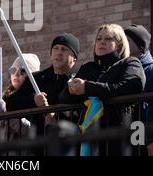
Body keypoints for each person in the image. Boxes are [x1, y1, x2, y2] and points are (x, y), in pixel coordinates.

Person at [59, 24, 145, 156]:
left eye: (108, 38)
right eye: (98, 39)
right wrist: (71, 88)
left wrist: (86, 87)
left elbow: (130, 87)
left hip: (118, 134)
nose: (102, 42)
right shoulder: (88, 67)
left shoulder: (130, 63)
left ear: (120, 44)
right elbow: (64, 99)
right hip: (89, 137)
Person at [124, 24, 153, 155]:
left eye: (128, 40)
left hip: (142, 130)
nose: (123, 44)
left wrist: (151, 139)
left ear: (140, 46)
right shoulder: (122, 68)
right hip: (127, 130)